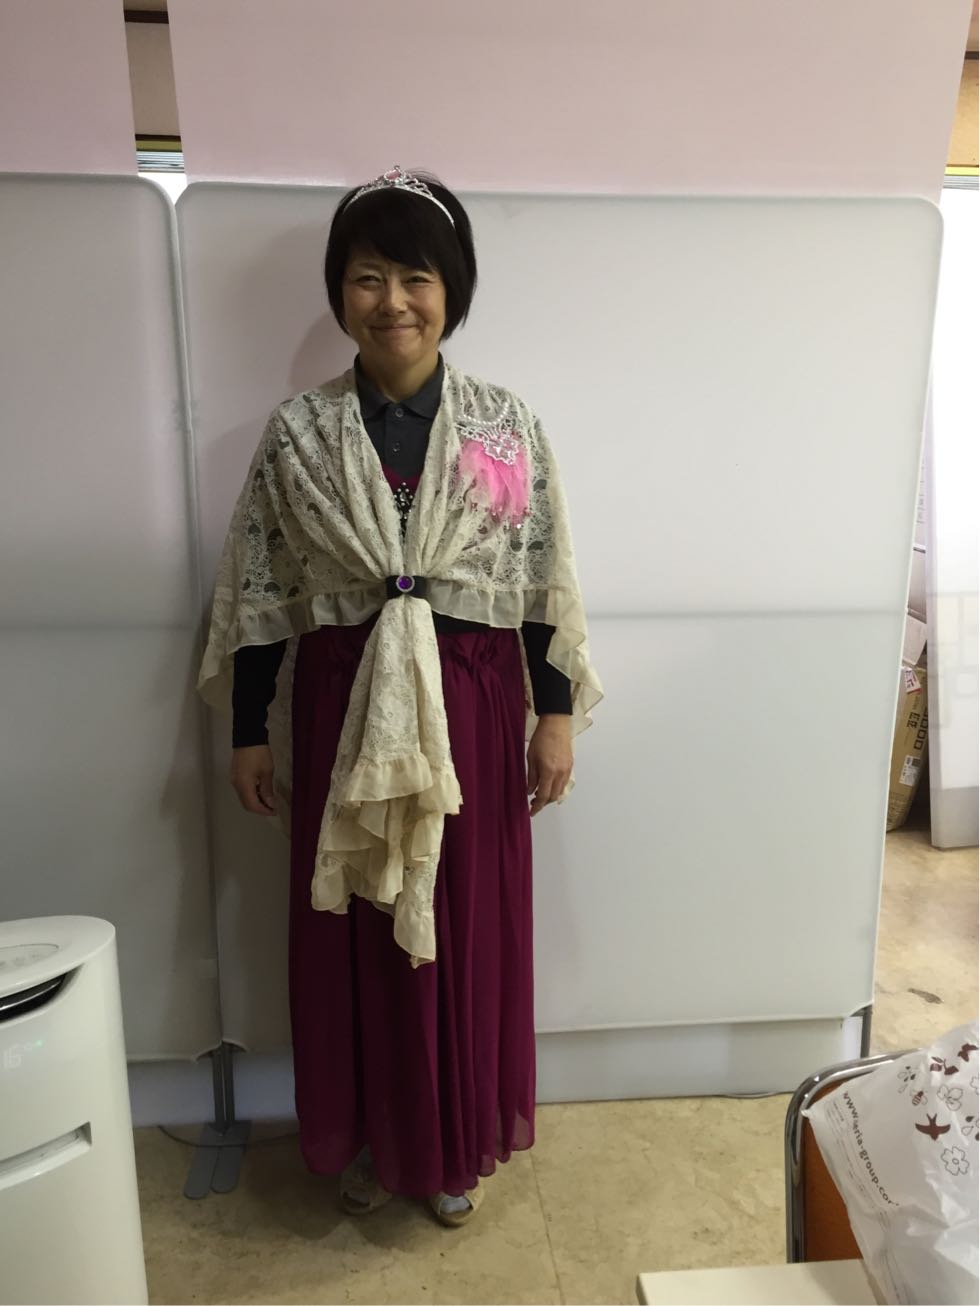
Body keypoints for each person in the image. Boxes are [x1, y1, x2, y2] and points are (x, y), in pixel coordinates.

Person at [196, 165, 602, 1228]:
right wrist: (249, 730)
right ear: (340, 291)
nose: (392, 302)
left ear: (450, 290)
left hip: (473, 711)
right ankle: (377, 1137)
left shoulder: (502, 429)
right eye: (367, 277)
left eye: (415, 277)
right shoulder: (298, 434)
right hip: (341, 708)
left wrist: (554, 714)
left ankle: (451, 1143)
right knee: (360, 936)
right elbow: (263, 591)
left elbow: (536, 582)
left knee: (462, 931)